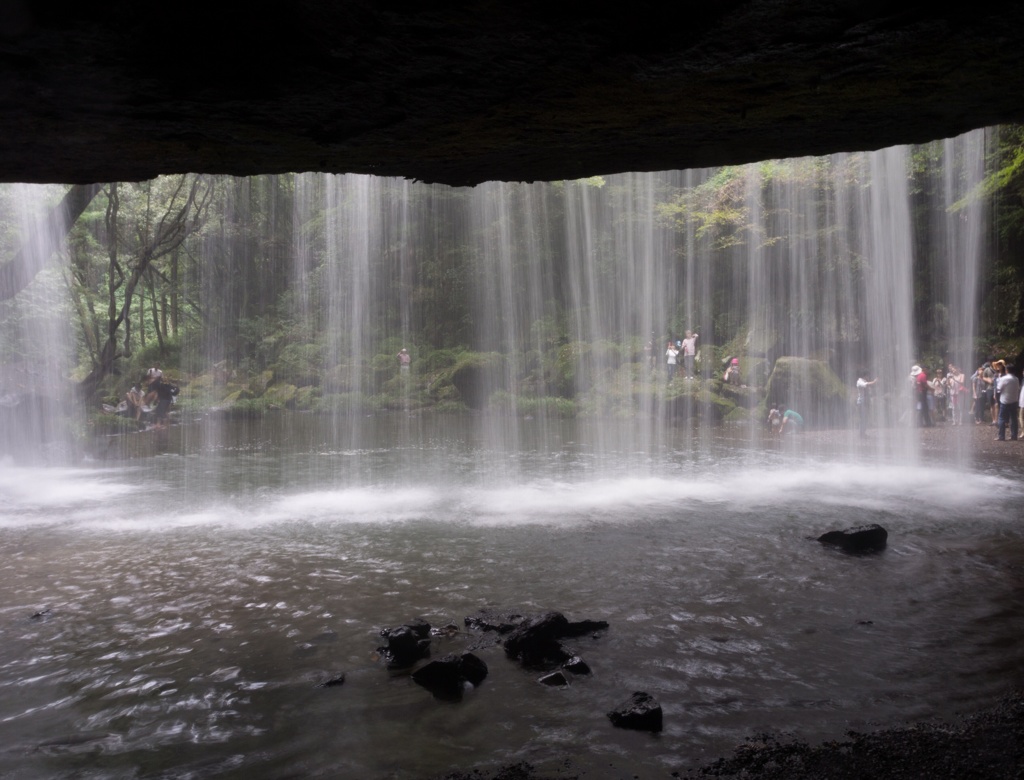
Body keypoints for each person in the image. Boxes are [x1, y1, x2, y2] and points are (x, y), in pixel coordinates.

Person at [995, 362, 1020, 441]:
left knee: (1001, 418)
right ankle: (1014, 435)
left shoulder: (1004, 379)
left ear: (1007, 370)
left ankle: (1001, 436)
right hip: (1014, 400)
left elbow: (998, 389)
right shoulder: (1016, 379)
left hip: (1005, 401)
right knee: (1014, 419)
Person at [856, 371, 877, 438]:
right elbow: (866, 384)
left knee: (865, 418)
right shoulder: (860, 381)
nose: (868, 377)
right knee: (863, 418)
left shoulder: (863, 381)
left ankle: (863, 433)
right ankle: (861, 434)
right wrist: (874, 382)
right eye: (867, 376)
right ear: (864, 376)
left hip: (865, 403)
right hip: (861, 403)